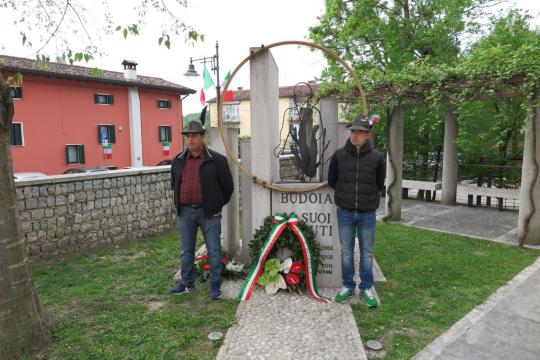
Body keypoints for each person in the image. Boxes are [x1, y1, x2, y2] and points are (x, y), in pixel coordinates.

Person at [170, 120, 234, 300]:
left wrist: (216, 206)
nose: (190, 140)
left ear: (202, 137)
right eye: (187, 136)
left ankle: (215, 287)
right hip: (185, 214)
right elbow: (174, 183)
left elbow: (228, 187)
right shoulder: (178, 160)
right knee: (186, 251)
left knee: (214, 251)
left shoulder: (217, 160)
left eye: (194, 136)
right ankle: (187, 284)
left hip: (209, 214)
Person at [328, 114, 385, 307]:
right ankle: (348, 285)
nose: (355, 135)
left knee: (367, 252)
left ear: (368, 135)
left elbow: (379, 183)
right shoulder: (339, 156)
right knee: (346, 251)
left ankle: (366, 287)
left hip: (367, 212)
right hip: (345, 211)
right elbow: (332, 181)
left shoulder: (377, 158)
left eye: (360, 132)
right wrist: (346, 197)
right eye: (353, 131)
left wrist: (366, 200)